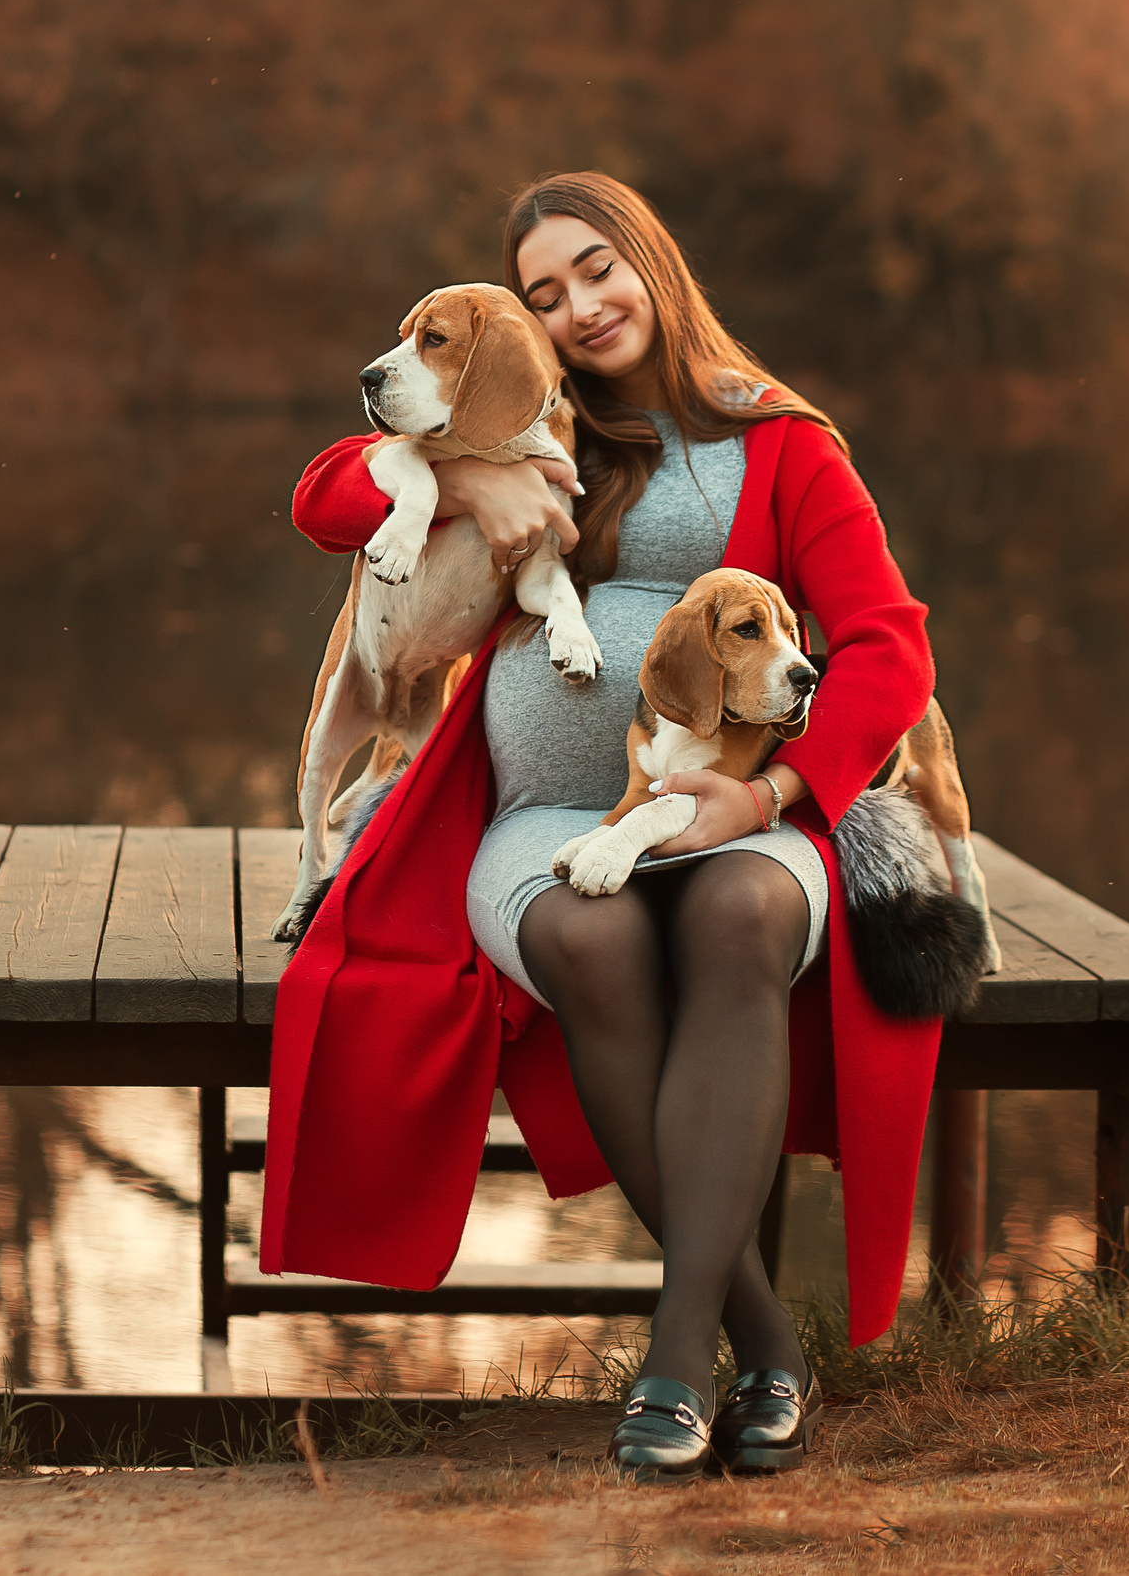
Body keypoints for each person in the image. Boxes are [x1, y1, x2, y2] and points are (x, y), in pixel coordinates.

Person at [261, 172, 942, 1480]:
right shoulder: (528, 430)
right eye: (544, 293)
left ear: (651, 260)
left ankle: (679, 1358)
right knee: (595, 941)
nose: (579, 306)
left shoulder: (780, 441)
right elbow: (328, 498)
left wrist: (768, 797)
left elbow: (887, 650)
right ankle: (764, 1343)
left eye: (596, 270)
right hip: (540, 815)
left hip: (742, 803)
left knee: (742, 918)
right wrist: (463, 491)